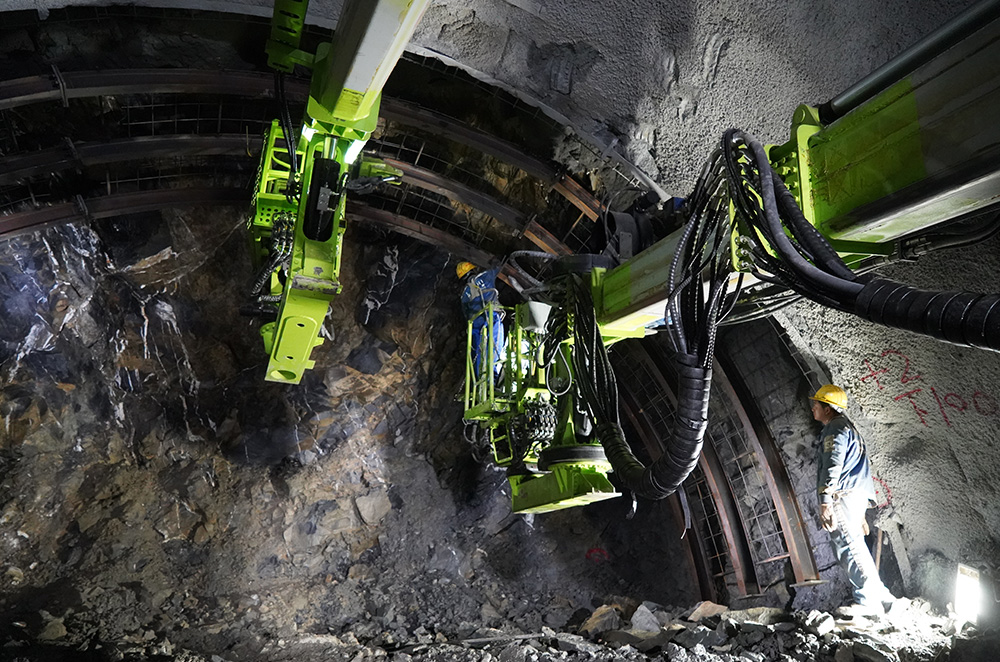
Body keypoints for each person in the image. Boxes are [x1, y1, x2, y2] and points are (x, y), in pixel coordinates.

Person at [810, 384, 895, 613]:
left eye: (816, 404)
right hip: (855, 496)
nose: (813, 408)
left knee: (848, 546)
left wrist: (825, 501)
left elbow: (833, 465)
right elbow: (858, 469)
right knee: (856, 546)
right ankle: (881, 596)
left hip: (842, 496)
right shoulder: (848, 427)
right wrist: (862, 512)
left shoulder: (835, 429)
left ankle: (867, 601)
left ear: (828, 409)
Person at [457, 261, 505, 381]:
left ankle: (481, 379)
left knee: (479, 349)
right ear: (472, 270)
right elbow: (498, 266)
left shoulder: (464, 295)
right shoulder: (484, 277)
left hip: (475, 323)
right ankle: (492, 377)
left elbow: (466, 314)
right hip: (490, 315)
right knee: (494, 343)